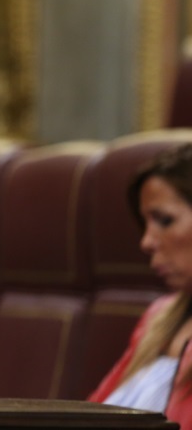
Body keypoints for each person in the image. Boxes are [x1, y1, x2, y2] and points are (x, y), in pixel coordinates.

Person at [89, 143, 192, 427]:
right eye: (145, 223)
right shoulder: (160, 316)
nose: (146, 242)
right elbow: (90, 413)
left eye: (165, 220)